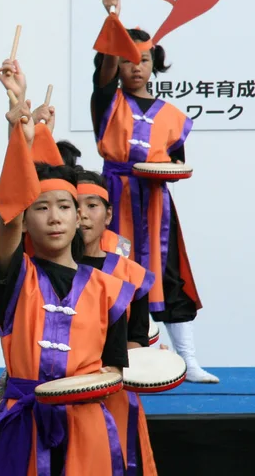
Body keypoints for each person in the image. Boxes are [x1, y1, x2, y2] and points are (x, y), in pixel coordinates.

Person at [0, 59, 135, 476]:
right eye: (41, 208)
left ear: (80, 217)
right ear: (27, 221)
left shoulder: (109, 289)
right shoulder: (17, 277)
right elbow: (8, 214)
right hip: (24, 425)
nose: (55, 217)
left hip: (86, 429)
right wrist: (19, 128)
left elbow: (114, 370)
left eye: (65, 207)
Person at [90, 0, 218, 384]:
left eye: (143, 59)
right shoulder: (107, 104)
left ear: (154, 63)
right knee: (117, 274)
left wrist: (168, 171)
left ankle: (188, 360)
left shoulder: (173, 116)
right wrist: (113, 21)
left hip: (157, 207)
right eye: (127, 61)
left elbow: (178, 162)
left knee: (171, 274)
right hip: (116, 200)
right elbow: (104, 76)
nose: (136, 68)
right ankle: (122, 362)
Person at [76, 168, 157, 476]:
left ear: (108, 215)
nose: (83, 215)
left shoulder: (132, 275)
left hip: (113, 390)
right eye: (75, 205)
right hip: (61, 387)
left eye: (92, 206)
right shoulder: (43, 271)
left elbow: (136, 339)